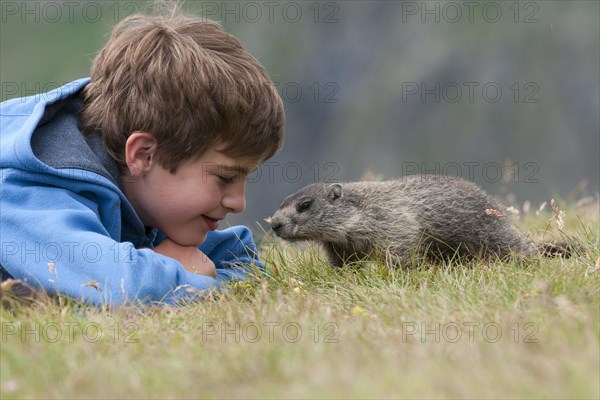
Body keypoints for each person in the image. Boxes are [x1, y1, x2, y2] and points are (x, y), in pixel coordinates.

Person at [0, 5, 285, 306]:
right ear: (144, 155)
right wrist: (174, 271)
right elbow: (117, 288)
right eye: (225, 177)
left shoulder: (152, 198)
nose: (239, 203)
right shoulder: (26, 191)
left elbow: (244, 263)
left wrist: (183, 272)